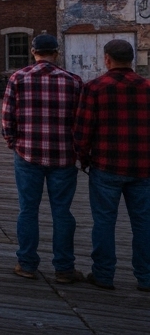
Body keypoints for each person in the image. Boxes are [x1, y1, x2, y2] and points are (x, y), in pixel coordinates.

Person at [1, 34, 84, 284]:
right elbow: (81, 122)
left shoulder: (18, 78)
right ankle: (64, 269)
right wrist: (79, 151)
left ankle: (27, 264)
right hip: (64, 157)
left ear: (33, 52)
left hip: (28, 154)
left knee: (28, 210)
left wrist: (14, 144)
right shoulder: (73, 81)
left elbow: (7, 118)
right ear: (56, 53)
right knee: (62, 213)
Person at [73, 38, 150, 292]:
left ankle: (104, 274)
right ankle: (146, 277)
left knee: (104, 222)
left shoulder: (95, 88)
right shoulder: (147, 87)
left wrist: (84, 159)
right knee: (144, 223)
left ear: (107, 59)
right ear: (131, 60)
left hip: (106, 165)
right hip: (143, 167)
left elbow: (83, 131)